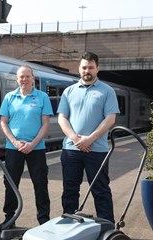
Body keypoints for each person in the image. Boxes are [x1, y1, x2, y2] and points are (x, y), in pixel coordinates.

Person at [57, 51, 120, 223]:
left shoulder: (107, 91)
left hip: (97, 150)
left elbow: (110, 119)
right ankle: (69, 223)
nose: (87, 71)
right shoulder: (69, 91)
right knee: (70, 189)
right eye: (84, 67)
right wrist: (76, 139)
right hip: (71, 149)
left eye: (91, 67)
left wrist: (89, 139)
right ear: (79, 69)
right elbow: (62, 117)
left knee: (100, 190)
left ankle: (107, 227)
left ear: (97, 69)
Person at [0, 65, 52, 227]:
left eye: (27, 76)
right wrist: (14, 141)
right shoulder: (9, 97)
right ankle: (9, 218)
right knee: (11, 184)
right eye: (21, 76)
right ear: (16, 79)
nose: (24, 79)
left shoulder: (42, 97)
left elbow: (46, 123)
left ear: (33, 78)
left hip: (37, 148)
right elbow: (3, 122)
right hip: (13, 148)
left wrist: (33, 143)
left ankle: (44, 220)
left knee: (40, 183)